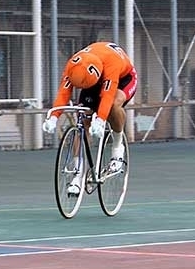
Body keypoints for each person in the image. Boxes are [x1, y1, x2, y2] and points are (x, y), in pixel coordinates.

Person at [42, 42, 137, 195]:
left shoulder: (111, 64)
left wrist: (100, 120)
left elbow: (107, 96)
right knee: (83, 119)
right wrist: (53, 117)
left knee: (113, 105)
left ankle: (118, 148)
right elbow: (63, 94)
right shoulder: (73, 66)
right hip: (92, 82)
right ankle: (78, 175)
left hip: (123, 78)